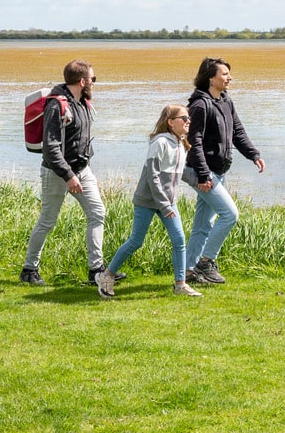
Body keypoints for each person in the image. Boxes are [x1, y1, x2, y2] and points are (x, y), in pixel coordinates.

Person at [20, 59, 111, 287]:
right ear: (82, 81)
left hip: (82, 170)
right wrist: (68, 176)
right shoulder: (56, 105)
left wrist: (79, 170)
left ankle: (96, 271)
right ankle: (29, 270)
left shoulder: (82, 102)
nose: (94, 82)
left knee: (97, 213)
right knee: (48, 221)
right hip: (57, 173)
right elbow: (50, 149)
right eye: (93, 79)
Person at [97, 105, 199, 298]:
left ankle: (180, 285)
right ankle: (106, 275)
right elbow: (153, 176)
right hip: (148, 200)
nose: (188, 122)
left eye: (188, 118)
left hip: (167, 202)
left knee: (179, 240)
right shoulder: (160, 142)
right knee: (136, 241)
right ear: (170, 122)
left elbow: (179, 173)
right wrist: (164, 204)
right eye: (184, 118)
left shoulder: (180, 143)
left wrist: (201, 181)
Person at [182, 56, 265, 286]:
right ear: (211, 77)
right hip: (203, 172)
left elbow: (237, 131)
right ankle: (206, 262)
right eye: (224, 74)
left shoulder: (225, 101)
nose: (229, 78)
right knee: (230, 215)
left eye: (229, 74)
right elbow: (194, 142)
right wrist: (203, 174)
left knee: (203, 225)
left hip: (218, 171)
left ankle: (188, 273)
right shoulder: (199, 105)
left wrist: (253, 154)